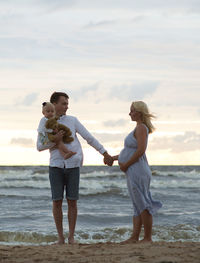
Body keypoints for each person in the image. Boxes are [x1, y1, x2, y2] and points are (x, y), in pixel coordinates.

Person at [36, 92, 113, 245]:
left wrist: (104, 153)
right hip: (56, 166)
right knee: (56, 202)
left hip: (73, 165)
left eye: (67, 103)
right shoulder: (44, 122)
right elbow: (39, 146)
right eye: (63, 103)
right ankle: (60, 238)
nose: (67, 106)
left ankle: (71, 237)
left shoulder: (73, 120)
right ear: (54, 104)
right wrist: (55, 141)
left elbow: (89, 137)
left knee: (72, 202)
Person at [110, 101, 162, 243]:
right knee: (137, 204)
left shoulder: (141, 128)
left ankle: (147, 238)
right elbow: (129, 151)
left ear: (139, 112)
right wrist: (114, 158)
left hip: (138, 170)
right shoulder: (138, 128)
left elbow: (140, 150)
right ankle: (135, 237)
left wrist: (126, 164)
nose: (130, 113)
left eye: (132, 110)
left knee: (143, 203)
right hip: (134, 169)